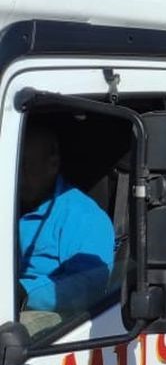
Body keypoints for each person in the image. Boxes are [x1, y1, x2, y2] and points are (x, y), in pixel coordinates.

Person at [17, 120, 114, 313]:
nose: (18, 176)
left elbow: (87, 286)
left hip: (44, 315)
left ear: (52, 163)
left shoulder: (83, 216)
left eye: (26, 166)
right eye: (13, 167)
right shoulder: (10, 202)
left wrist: (22, 293)